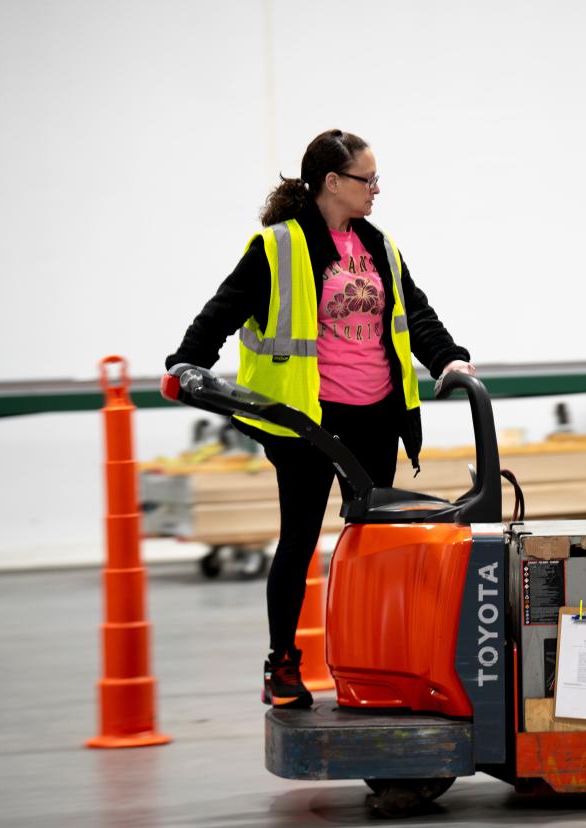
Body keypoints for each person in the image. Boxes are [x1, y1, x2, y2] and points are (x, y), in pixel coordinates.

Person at [166, 129, 475, 709]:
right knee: (300, 537)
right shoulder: (278, 248)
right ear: (333, 182)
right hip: (310, 421)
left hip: (376, 415)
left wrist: (448, 357)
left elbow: (417, 313)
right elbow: (221, 311)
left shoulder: (379, 245)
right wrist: (186, 364)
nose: (377, 190)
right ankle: (282, 664)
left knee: (376, 545)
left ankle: (385, 664)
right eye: (368, 179)